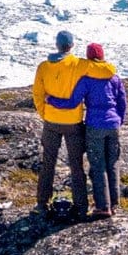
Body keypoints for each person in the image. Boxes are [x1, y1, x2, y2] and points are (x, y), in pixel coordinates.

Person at [46, 42, 128, 217]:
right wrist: (118, 121)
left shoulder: (87, 79)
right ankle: (114, 204)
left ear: (89, 57)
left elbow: (73, 102)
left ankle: (103, 206)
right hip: (113, 126)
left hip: (95, 125)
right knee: (112, 163)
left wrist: (51, 100)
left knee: (97, 165)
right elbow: (122, 103)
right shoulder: (114, 77)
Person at [31, 29, 88, 219]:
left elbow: (38, 94)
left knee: (48, 162)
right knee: (76, 164)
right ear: (71, 45)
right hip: (73, 121)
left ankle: (42, 203)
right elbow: (106, 70)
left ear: (57, 44)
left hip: (52, 121)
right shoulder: (78, 65)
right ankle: (81, 206)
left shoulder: (43, 67)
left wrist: (45, 113)